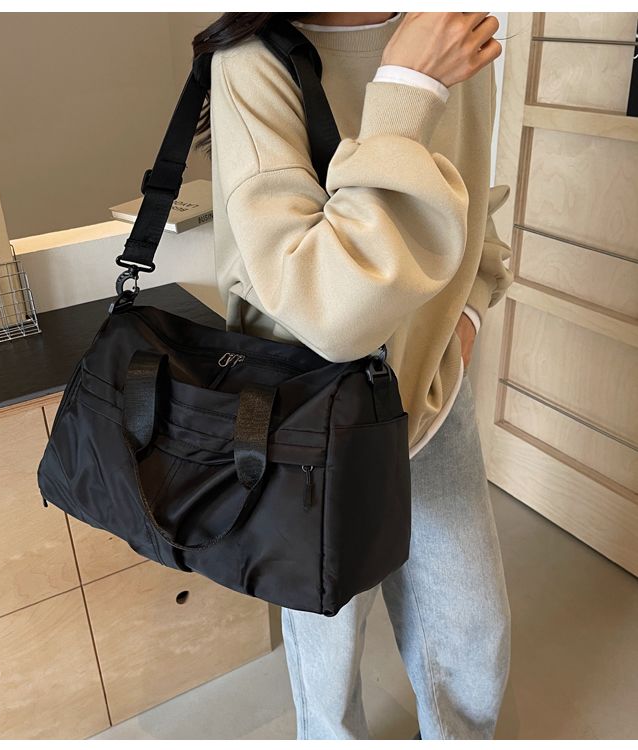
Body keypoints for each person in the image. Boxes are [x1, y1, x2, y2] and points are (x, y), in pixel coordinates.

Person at [192, 12, 514, 740]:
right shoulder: (253, 60)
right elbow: (329, 314)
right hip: (309, 415)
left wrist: (468, 314)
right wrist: (405, 89)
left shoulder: (452, 28)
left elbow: (471, 198)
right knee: (328, 650)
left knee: (473, 636)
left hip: (433, 392)